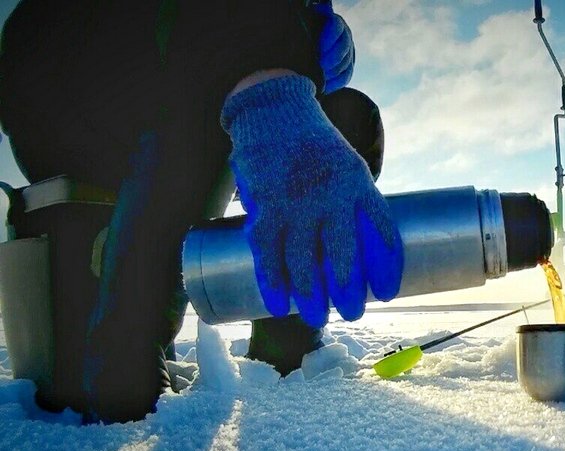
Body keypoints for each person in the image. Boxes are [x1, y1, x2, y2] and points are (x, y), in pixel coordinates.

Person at [0, 0, 403, 423]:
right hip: (75, 67)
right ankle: (125, 356)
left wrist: (313, 36)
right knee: (204, 89)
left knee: (349, 118)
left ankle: (284, 351)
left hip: (197, 57)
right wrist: (267, 80)